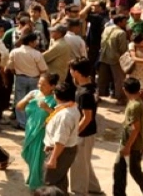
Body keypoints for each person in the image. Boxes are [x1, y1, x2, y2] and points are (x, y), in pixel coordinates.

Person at [115, 77, 143, 196]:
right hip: (129, 143)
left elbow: (135, 128)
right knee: (119, 170)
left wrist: (127, 147)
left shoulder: (134, 106)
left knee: (135, 172)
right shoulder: (136, 102)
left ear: (125, 90)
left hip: (133, 146)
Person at [17, 72, 58, 189]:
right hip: (30, 129)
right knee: (29, 155)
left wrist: (47, 108)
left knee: (38, 158)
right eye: (39, 83)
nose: (40, 86)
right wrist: (27, 99)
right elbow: (19, 107)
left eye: (44, 84)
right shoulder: (34, 93)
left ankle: (36, 184)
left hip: (42, 132)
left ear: (52, 86)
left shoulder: (54, 99)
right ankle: (33, 177)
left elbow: (58, 116)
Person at [68, 60, 102, 196]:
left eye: (71, 69)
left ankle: (80, 191)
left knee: (78, 164)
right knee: (85, 161)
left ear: (76, 72)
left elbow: (87, 117)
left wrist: (75, 133)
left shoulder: (84, 93)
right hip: (90, 131)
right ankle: (93, 187)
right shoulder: (91, 86)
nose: (70, 72)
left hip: (83, 132)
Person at [42, 78, 81, 193]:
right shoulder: (71, 107)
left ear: (56, 96)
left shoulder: (64, 115)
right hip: (65, 150)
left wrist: (53, 159)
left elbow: (60, 140)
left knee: (51, 183)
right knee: (60, 180)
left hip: (60, 152)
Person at [9, 31, 48, 129]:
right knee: (33, 100)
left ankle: (22, 123)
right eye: (35, 41)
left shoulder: (14, 52)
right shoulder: (37, 54)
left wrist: (16, 73)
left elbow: (10, 67)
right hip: (34, 79)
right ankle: (31, 121)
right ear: (31, 42)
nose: (37, 43)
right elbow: (43, 69)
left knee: (20, 100)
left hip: (20, 78)